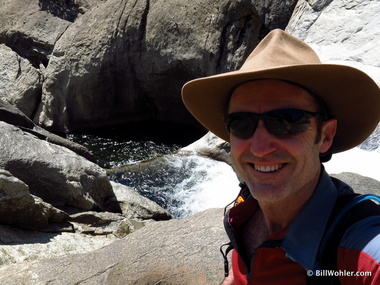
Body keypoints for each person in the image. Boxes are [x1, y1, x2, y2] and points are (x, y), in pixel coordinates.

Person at [181, 29, 380, 284]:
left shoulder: (360, 249)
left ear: (326, 136)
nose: (260, 147)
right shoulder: (243, 213)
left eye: (288, 120)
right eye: (242, 123)